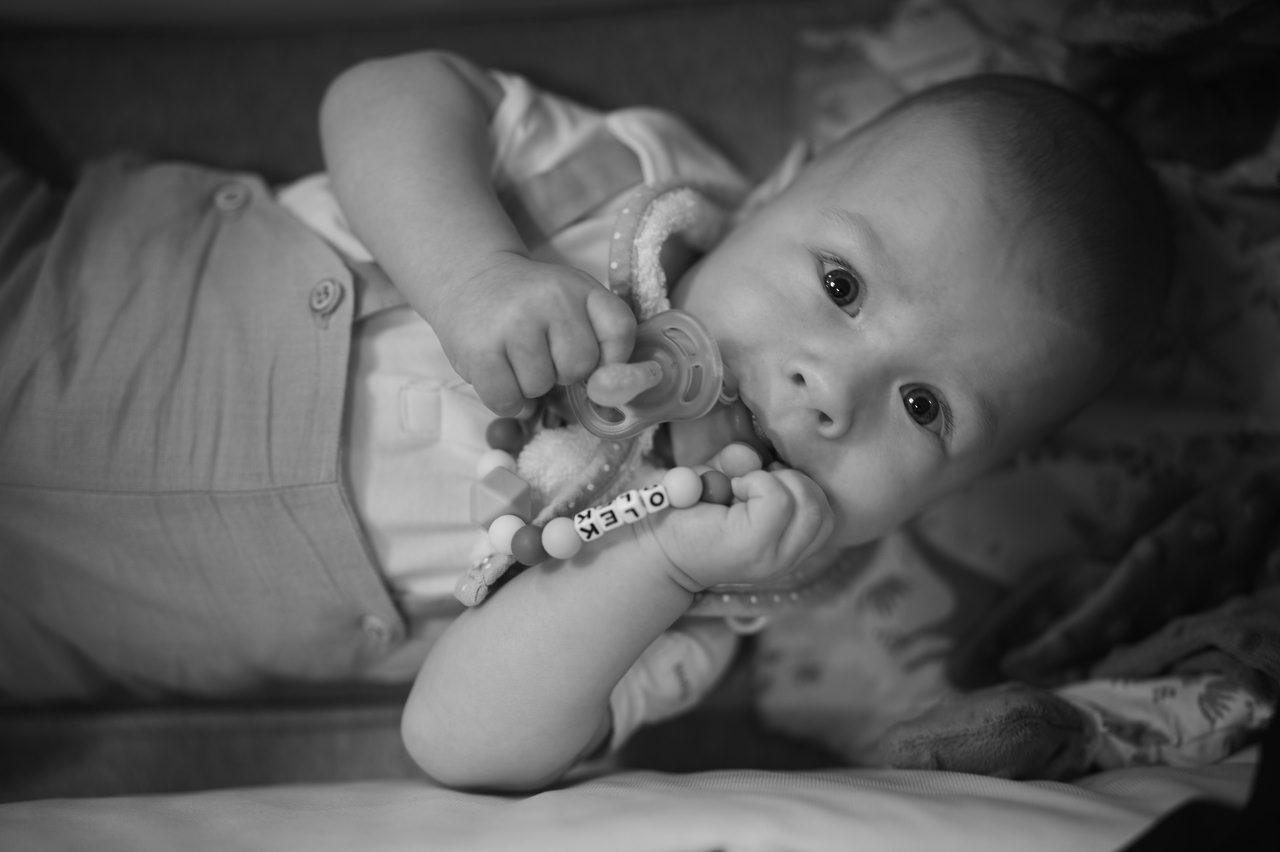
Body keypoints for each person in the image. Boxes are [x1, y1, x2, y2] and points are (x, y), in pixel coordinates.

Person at [0, 51, 1170, 789]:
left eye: (923, 407)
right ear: (776, 191)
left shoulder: (710, 599)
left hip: (46, 616)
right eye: (839, 284)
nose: (829, 388)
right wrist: (474, 273)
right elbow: (385, 94)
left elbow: (455, 744)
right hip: (64, 298)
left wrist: (657, 566)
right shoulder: (621, 187)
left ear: (950, 491)